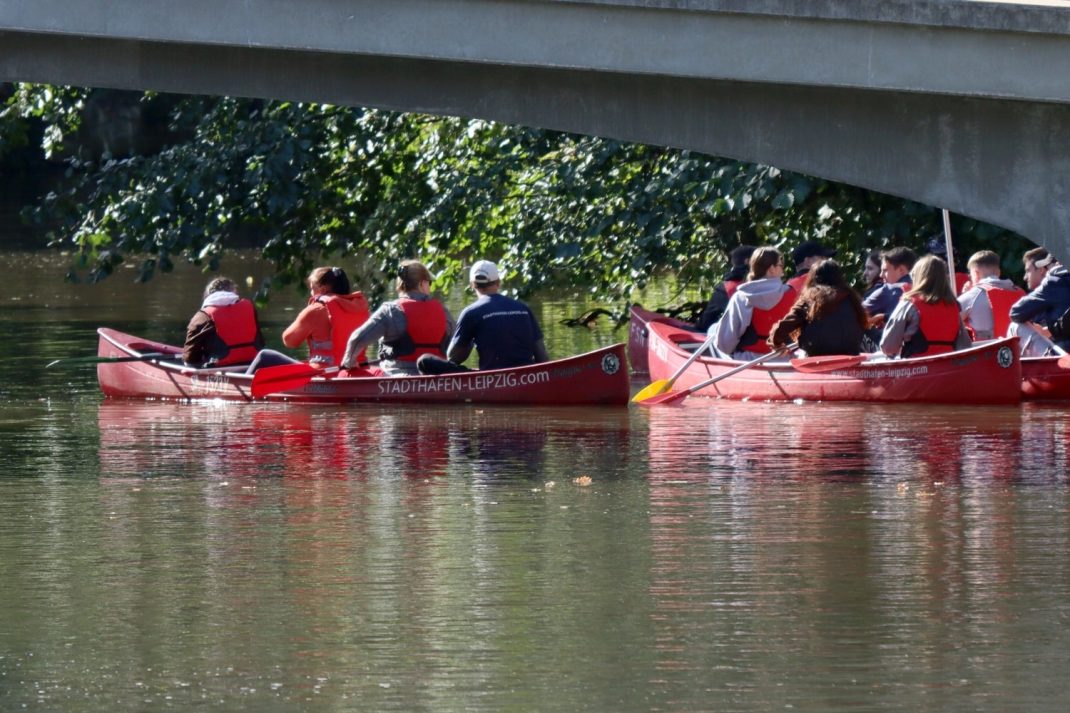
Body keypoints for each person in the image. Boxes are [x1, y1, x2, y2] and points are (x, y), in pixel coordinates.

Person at [417, 260, 549, 375]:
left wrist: (471, 337)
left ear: (472, 284)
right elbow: (542, 356)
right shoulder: (523, 309)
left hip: (491, 377)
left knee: (425, 361)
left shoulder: (471, 312)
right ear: (498, 282)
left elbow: (453, 357)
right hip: (527, 375)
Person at [244, 266, 370, 373]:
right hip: (356, 368)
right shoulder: (360, 308)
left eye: (312, 288)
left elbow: (289, 341)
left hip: (326, 372)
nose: (311, 293)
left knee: (265, 356)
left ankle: (242, 387)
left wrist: (305, 318)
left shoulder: (316, 310)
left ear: (323, 289)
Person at [340, 260, 455, 376]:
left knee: (344, 374)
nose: (429, 287)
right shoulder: (443, 311)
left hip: (396, 374)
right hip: (436, 375)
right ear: (422, 283)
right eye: (429, 283)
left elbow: (357, 339)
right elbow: (457, 344)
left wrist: (349, 361)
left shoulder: (391, 310)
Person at [708, 247, 796, 360]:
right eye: (780, 265)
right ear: (771, 269)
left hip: (749, 360)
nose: (783, 270)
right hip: (784, 359)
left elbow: (725, 344)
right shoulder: (792, 294)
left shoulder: (741, 297)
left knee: (713, 330)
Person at [768, 259, 867, 356]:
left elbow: (785, 325)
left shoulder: (811, 297)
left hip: (818, 356)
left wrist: (776, 341)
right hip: (850, 354)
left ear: (813, 278)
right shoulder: (851, 297)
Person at [879, 255, 971, 358]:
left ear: (918, 277)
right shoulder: (954, 306)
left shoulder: (909, 303)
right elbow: (965, 346)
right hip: (948, 365)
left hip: (916, 367)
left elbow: (888, 346)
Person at [183, 277, 265, 368]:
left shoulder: (202, 316)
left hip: (219, 368)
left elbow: (190, 358)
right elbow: (261, 342)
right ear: (233, 292)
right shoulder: (250, 308)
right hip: (254, 364)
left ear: (207, 295)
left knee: (189, 365)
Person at [1008, 251, 1070, 356]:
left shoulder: (1055, 281)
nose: (1024, 278)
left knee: (1015, 326)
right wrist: (1049, 330)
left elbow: (1015, 313)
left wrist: (1048, 330)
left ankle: (1016, 371)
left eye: (1047, 267)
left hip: (1063, 356)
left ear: (1058, 264)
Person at [957, 250, 1023, 340]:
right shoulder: (1019, 293)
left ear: (976, 273)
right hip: (1019, 350)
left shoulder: (972, 296)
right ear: (998, 272)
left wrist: (964, 294)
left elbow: (950, 320)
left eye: (971, 275)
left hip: (988, 351)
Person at [694, 245, 755, 332]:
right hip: (770, 339)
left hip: (744, 341)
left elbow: (704, 325)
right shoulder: (778, 289)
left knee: (712, 328)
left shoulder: (725, 289)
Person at [863, 246, 917, 327]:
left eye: (885, 270)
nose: (881, 275)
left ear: (901, 270)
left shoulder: (888, 290)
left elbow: (857, 311)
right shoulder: (923, 289)